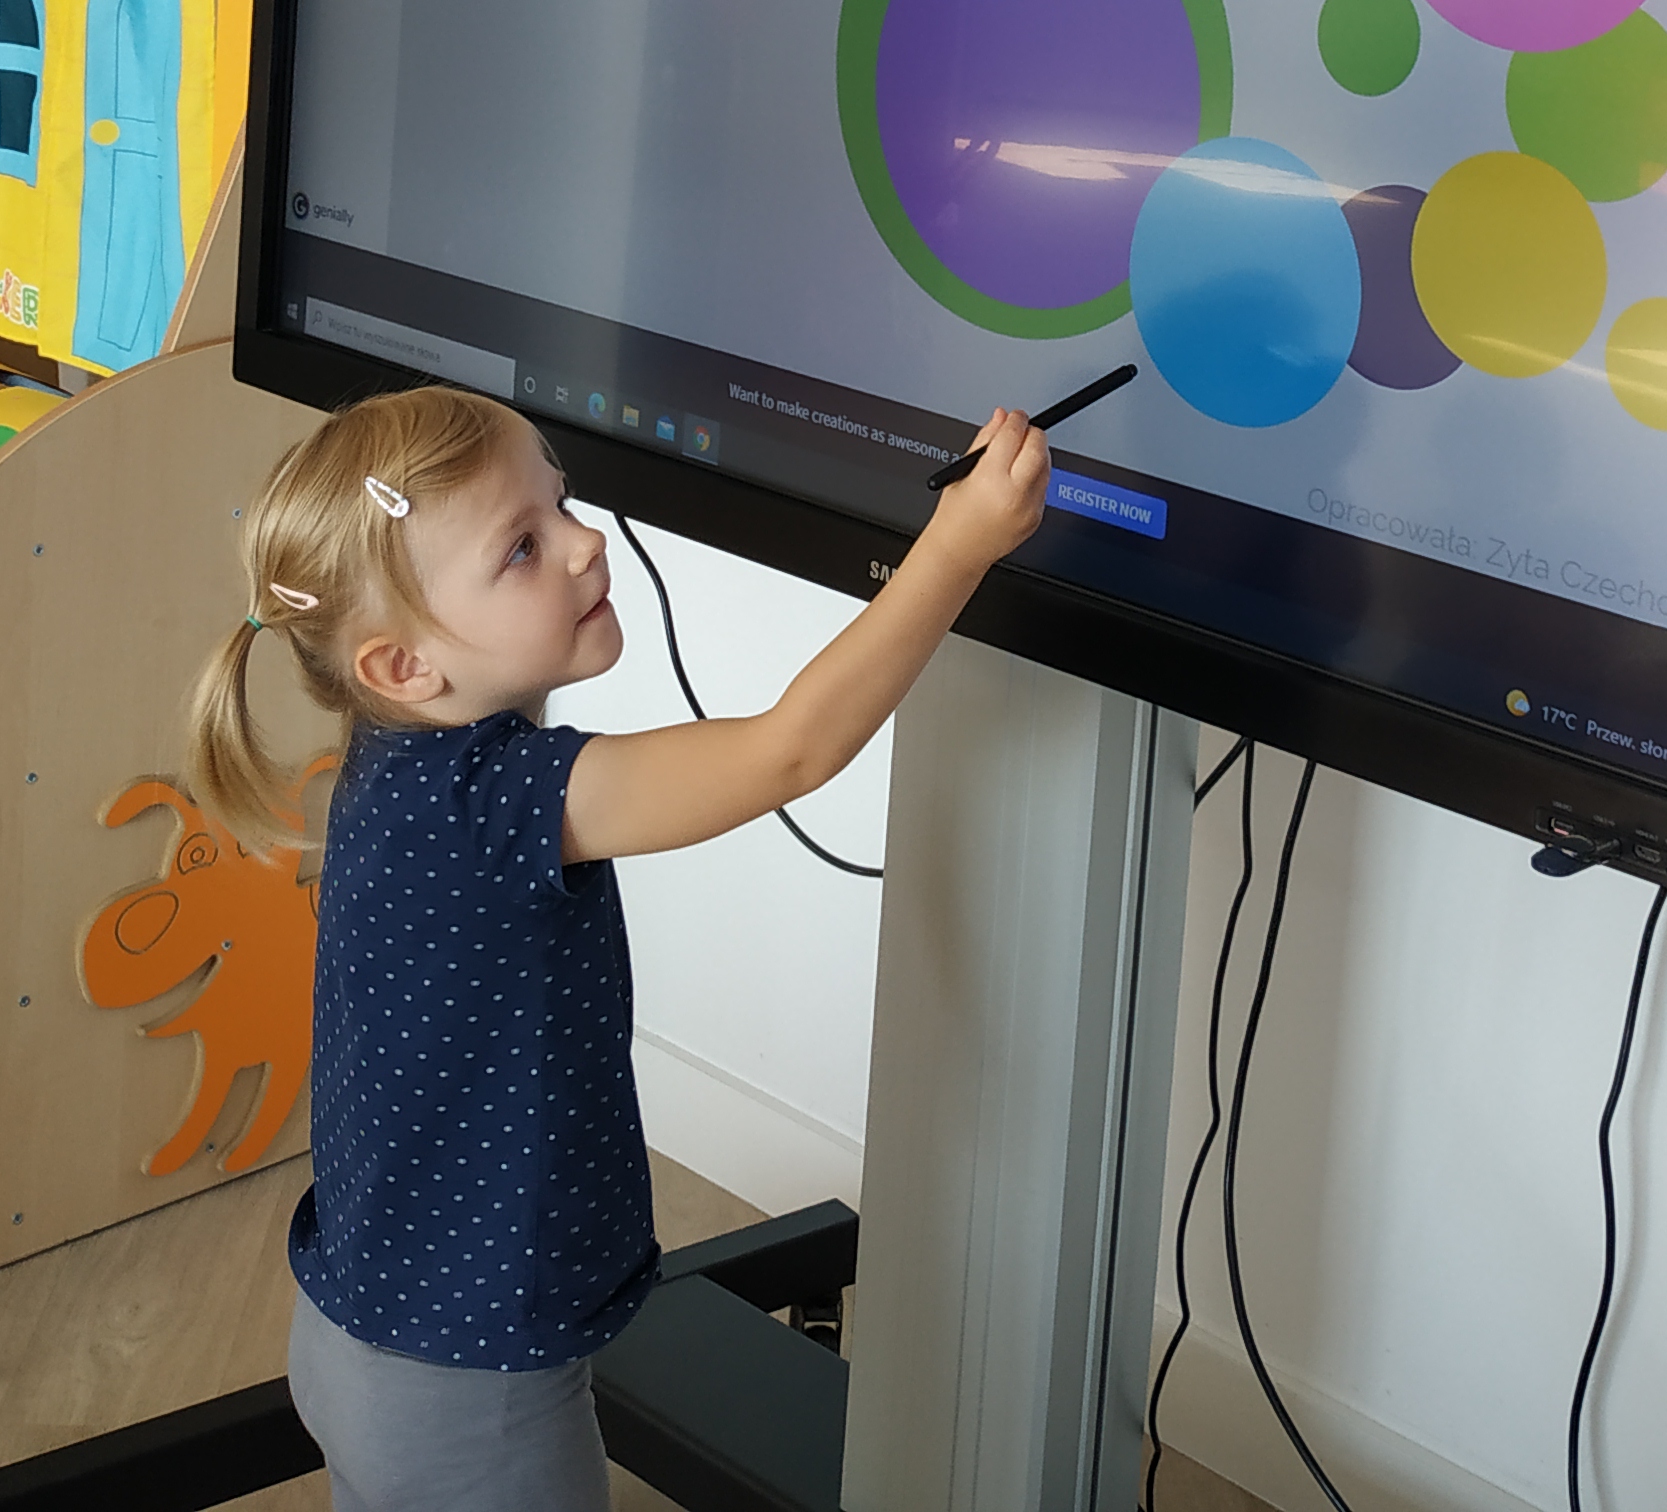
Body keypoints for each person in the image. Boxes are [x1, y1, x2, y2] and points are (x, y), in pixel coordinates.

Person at [184, 383, 1051, 1512]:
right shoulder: (496, 804)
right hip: (468, 1393)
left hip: (374, 1333)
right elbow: (789, 752)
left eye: (562, 502)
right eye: (522, 548)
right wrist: (959, 545)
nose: (585, 542)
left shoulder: (398, 763)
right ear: (402, 666)